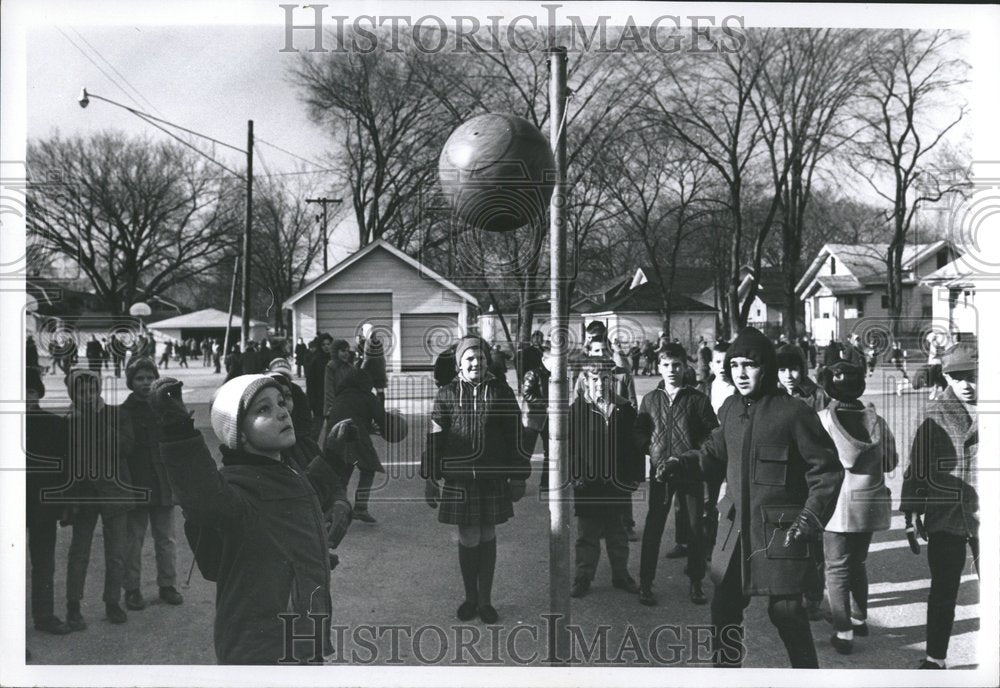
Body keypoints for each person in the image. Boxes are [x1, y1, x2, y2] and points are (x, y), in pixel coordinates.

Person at [671, 326, 844, 668]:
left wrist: (809, 519)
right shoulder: (732, 409)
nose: (741, 373)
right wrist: (681, 463)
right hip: (734, 534)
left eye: (749, 365)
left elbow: (827, 472)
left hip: (780, 533)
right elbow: (714, 452)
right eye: (734, 365)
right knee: (723, 611)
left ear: (766, 367)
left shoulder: (794, 412)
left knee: (787, 614)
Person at [151, 374, 353, 664]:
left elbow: (305, 493)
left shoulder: (284, 473)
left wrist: (332, 456)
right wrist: (177, 431)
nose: (282, 412)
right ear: (239, 433)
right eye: (263, 410)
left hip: (302, 636)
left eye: (281, 403)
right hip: (262, 648)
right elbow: (201, 496)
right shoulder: (235, 489)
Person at [421, 336, 530, 624]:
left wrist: (518, 475)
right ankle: (470, 597)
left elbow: (516, 435)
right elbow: (435, 438)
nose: (476, 363)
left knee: (487, 534)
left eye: (480, 358)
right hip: (459, 479)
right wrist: (430, 476)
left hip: (491, 476)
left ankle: (486, 601)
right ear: (459, 364)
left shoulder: (501, 392)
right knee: (468, 536)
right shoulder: (446, 394)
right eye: (469, 358)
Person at [900, 341, 979, 670]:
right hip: (946, 513)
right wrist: (911, 511)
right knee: (944, 589)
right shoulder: (934, 413)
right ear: (945, 378)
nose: (966, 384)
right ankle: (936, 658)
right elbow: (917, 464)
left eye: (972, 375)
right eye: (956, 377)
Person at [815, 361, 897, 655]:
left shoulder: (822, 420)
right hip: (869, 503)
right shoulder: (877, 420)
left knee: (836, 569)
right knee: (858, 563)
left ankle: (843, 631)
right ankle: (859, 618)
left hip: (836, 505)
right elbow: (891, 462)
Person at [635, 343, 718, 606]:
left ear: (685, 366)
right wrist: (651, 451)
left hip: (690, 472)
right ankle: (645, 584)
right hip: (661, 474)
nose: (671, 370)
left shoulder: (698, 399)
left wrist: (688, 457)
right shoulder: (650, 400)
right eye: (666, 365)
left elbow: (711, 437)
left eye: (677, 365)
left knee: (695, 529)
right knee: (653, 528)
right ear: (659, 366)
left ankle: (696, 582)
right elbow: (640, 432)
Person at [63, 369, 140, 627]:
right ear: (72, 394)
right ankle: (73, 606)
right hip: (84, 495)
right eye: (81, 392)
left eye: (92, 390)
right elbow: (66, 460)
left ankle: (112, 602)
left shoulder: (117, 415)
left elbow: (126, 448)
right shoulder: (68, 421)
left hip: (114, 491)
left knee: (116, 551)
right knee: (79, 552)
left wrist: (97, 421)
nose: (88, 396)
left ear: (100, 390)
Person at [568, 354, 644, 599]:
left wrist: (634, 476)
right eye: (595, 379)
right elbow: (571, 447)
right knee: (587, 535)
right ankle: (583, 577)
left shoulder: (624, 409)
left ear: (612, 380)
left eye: (605, 378)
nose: (600, 383)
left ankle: (621, 575)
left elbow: (634, 447)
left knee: (617, 533)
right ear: (586, 380)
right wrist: (574, 474)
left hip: (616, 482)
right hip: (588, 483)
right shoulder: (577, 410)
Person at [118, 357, 184, 611]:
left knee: (166, 538)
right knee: (134, 539)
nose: (145, 383)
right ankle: (132, 589)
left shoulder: (164, 406)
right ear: (130, 382)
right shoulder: (124, 411)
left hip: (162, 482)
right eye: (139, 378)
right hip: (136, 483)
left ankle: (167, 585)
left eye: (149, 378)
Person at [25, 367, 72, 635]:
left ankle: (44, 616)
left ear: (39, 393)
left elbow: (65, 469)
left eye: (31, 391)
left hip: (44, 508)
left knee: (44, 564)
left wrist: (66, 506)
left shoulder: (55, 425)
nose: (26, 397)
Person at [325, 366, 385, 524]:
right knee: (368, 469)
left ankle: (338, 509)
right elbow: (382, 418)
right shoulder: (366, 396)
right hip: (355, 436)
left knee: (342, 475)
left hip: (335, 438)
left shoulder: (341, 395)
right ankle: (360, 508)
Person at [696, 341, 736, 558]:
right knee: (707, 503)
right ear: (710, 364)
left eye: (727, 361)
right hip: (710, 451)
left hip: (734, 452)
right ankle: (705, 550)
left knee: (731, 502)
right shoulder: (703, 389)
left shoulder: (740, 389)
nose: (722, 366)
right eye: (718, 361)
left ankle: (728, 549)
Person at [519, 345, 550, 492]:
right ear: (544, 359)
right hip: (532, 418)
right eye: (552, 360)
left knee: (550, 451)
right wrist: (545, 404)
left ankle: (546, 482)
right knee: (526, 452)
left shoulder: (555, 376)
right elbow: (527, 394)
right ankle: (518, 482)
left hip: (548, 418)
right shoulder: (533, 374)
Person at [776, 343, 830, 413]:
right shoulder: (773, 395)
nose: (788, 376)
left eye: (793, 369)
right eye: (782, 370)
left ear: (802, 370)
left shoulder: (818, 396)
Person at [305, 334, 332, 435]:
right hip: (319, 401)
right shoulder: (315, 361)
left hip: (332, 400)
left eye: (328, 344)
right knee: (315, 430)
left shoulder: (334, 360)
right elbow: (310, 384)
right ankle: (311, 450)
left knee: (332, 432)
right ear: (320, 346)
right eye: (324, 344)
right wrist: (311, 403)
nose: (326, 347)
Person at [361, 332, 388, 403]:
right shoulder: (379, 343)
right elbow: (383, 357)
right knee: (380, 392)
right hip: (380, 370)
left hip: (371, 371)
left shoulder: (368, 343)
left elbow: (367, 359)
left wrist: (361, 370)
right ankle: (380, 410)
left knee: (365, 391)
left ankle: (368, 411)